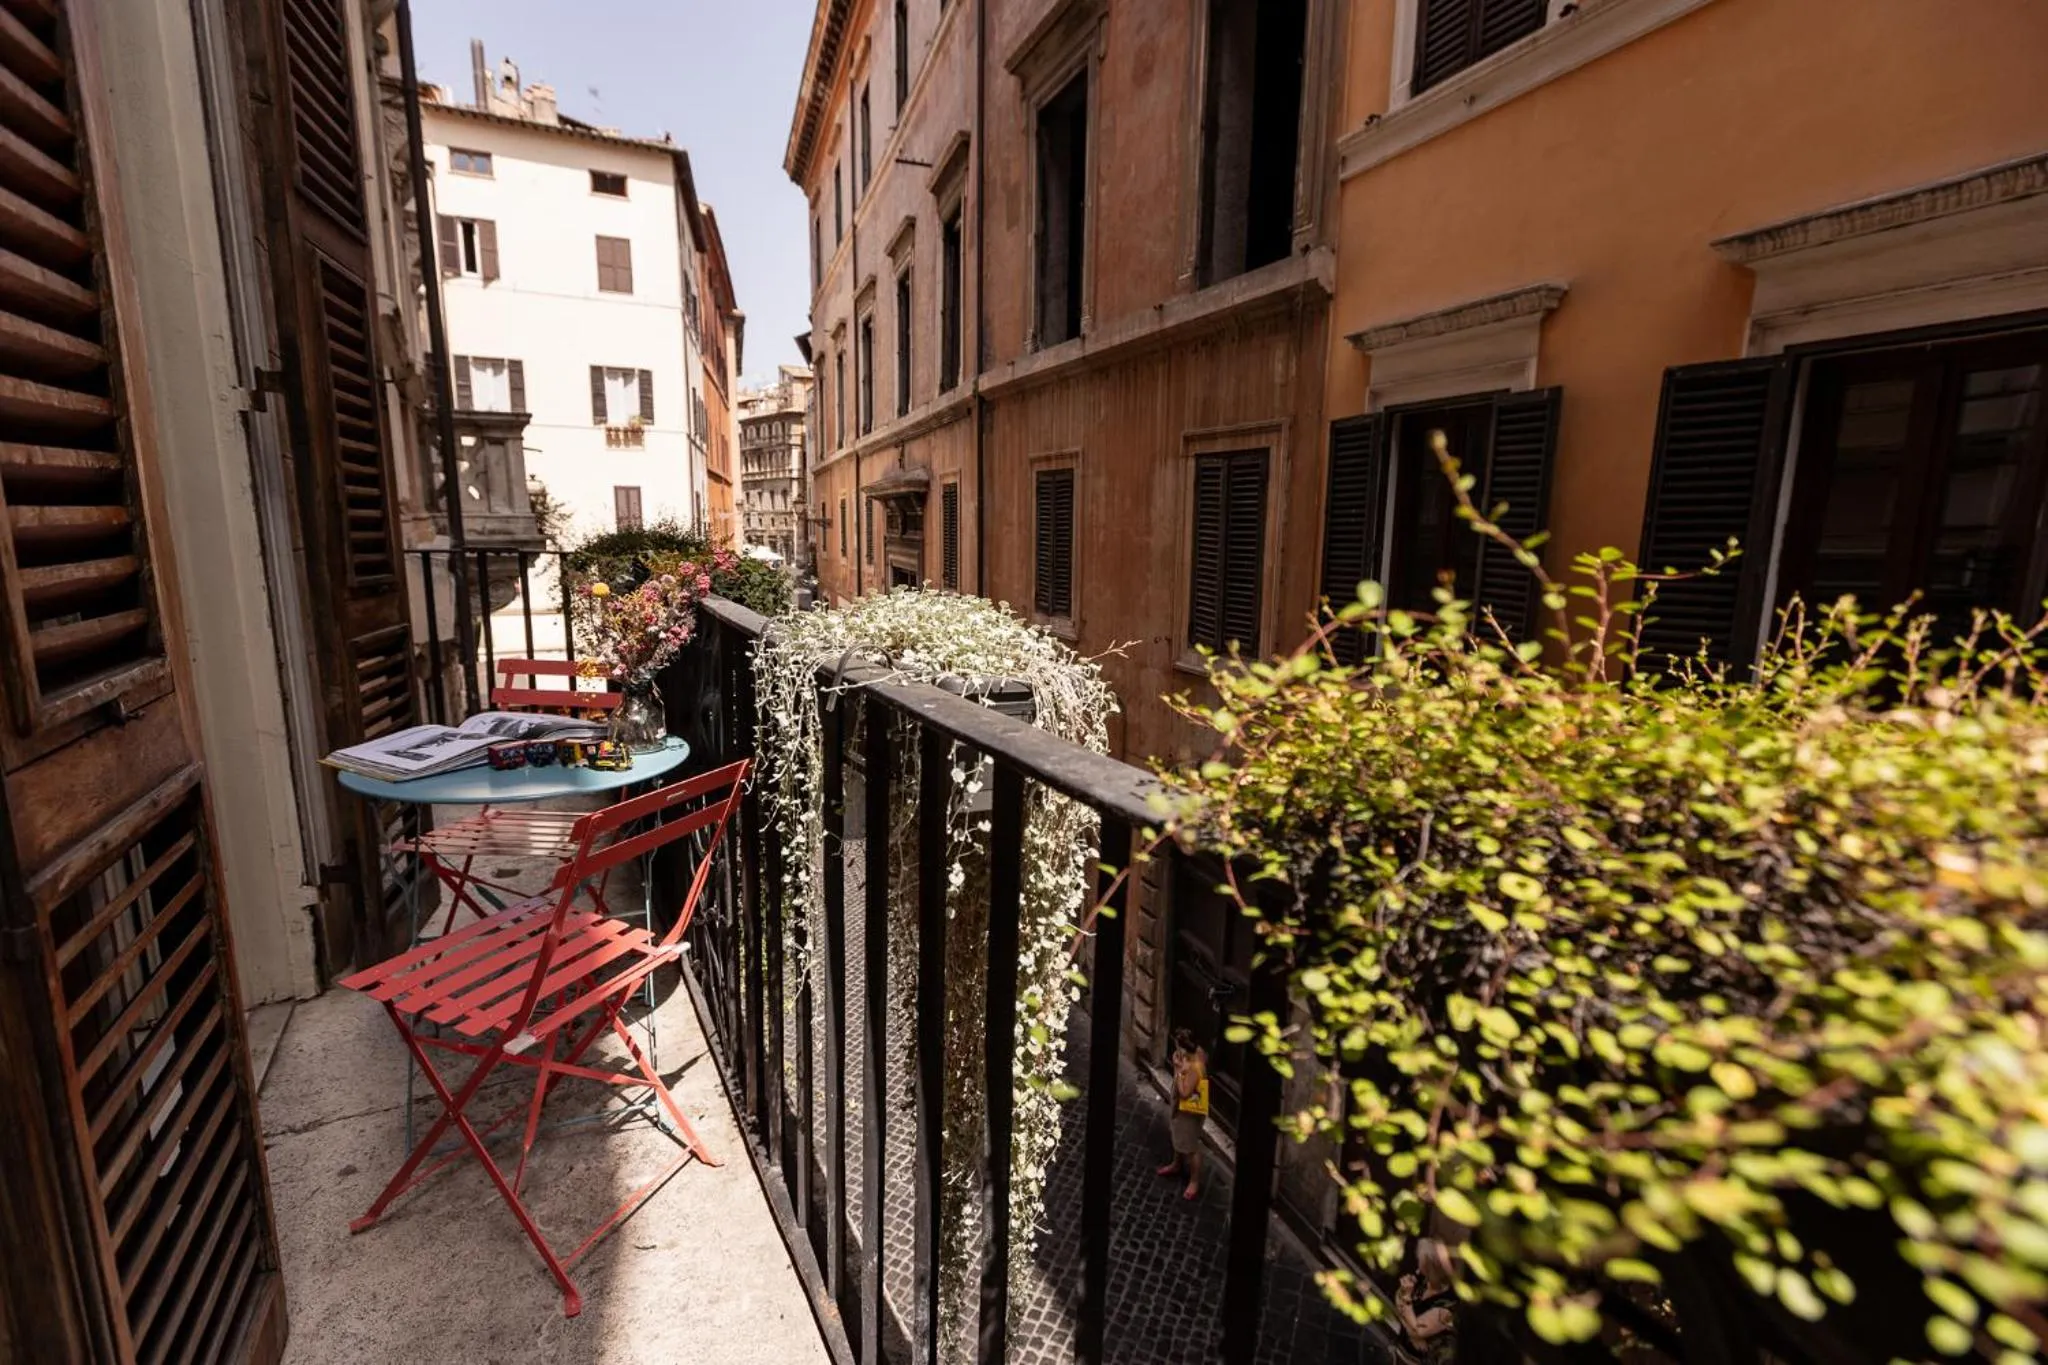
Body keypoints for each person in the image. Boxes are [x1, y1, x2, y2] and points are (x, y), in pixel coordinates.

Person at [1156, 1028, 1209, 1200]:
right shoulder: (1196, 1053)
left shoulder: (1195, 1068)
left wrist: (1178, 1070)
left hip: (1189, 1110)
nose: (1176, 1050)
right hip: (1181, 1107)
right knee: (1178, 1134)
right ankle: (1176, 1163)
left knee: (1190, 1145)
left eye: (1178, 1047)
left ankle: (1194, 1181)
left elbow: (1185, 1092)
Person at [1395, 1238, 1459, 1363]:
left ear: (1430, 1267)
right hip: (1404, 1352)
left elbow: (1418, 1329)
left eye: (1420, 1261)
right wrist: (1413, 1335)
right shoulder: (1422, 1280)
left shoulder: (1448, 1302)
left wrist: (1406, 1298)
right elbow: (1398, 1299)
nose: (1418, 1266)